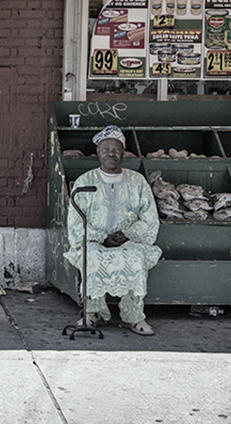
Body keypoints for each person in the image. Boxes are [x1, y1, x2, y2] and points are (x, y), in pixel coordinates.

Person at [65, 125, 162, 336]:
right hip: (94, 242)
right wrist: (102, 238)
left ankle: (133, 317)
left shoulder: (137, 182)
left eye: (116, 149)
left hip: (128, 241)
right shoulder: (85, 182)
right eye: (105, 149)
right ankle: (93, 313)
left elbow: (149, 218)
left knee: (135, 257)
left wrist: (127, 235)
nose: (111, 153)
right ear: (98, 152)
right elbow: (74, 222)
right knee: (90, 257)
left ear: (123, 153)